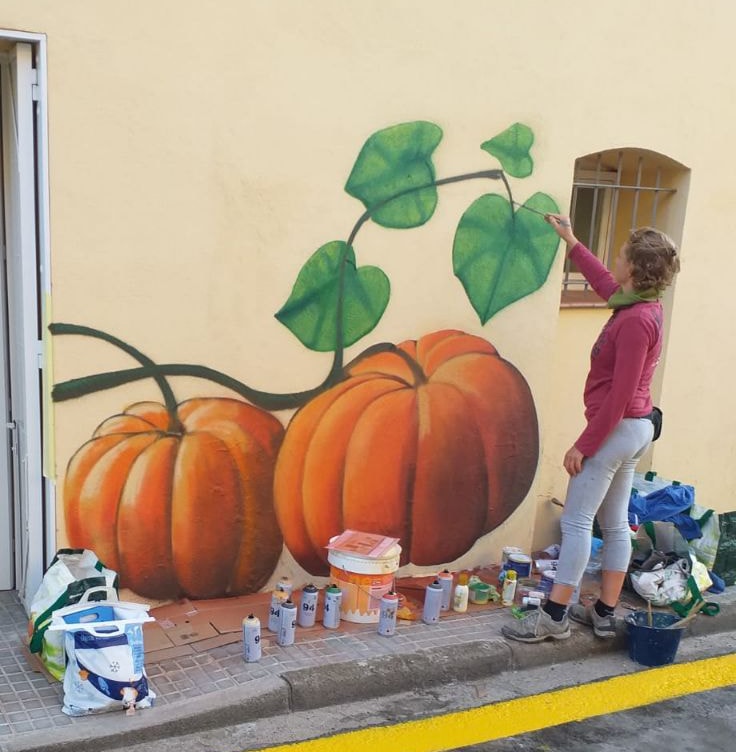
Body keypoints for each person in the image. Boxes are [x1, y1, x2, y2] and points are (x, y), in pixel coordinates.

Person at [502, 215, 680, 643]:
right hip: (631, 430)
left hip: (619, 429)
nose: (614, 260)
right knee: (615, 523)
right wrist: (572, 240)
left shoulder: (637, 320)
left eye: (620, 256)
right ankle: (603, 612)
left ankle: (555, 615)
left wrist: (584, 445)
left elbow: (618, 398)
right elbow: (604, 284)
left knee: (578, 522)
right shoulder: (638, 304)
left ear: (634, 269)